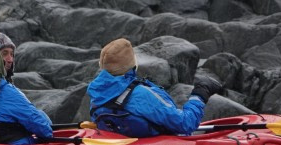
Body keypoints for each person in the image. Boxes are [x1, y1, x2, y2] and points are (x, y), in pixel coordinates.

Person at [87, 38, 223, 137]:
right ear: (132, 64)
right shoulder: (142, 94)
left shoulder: (96, 94)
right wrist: (200, 93)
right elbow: (185, 124)